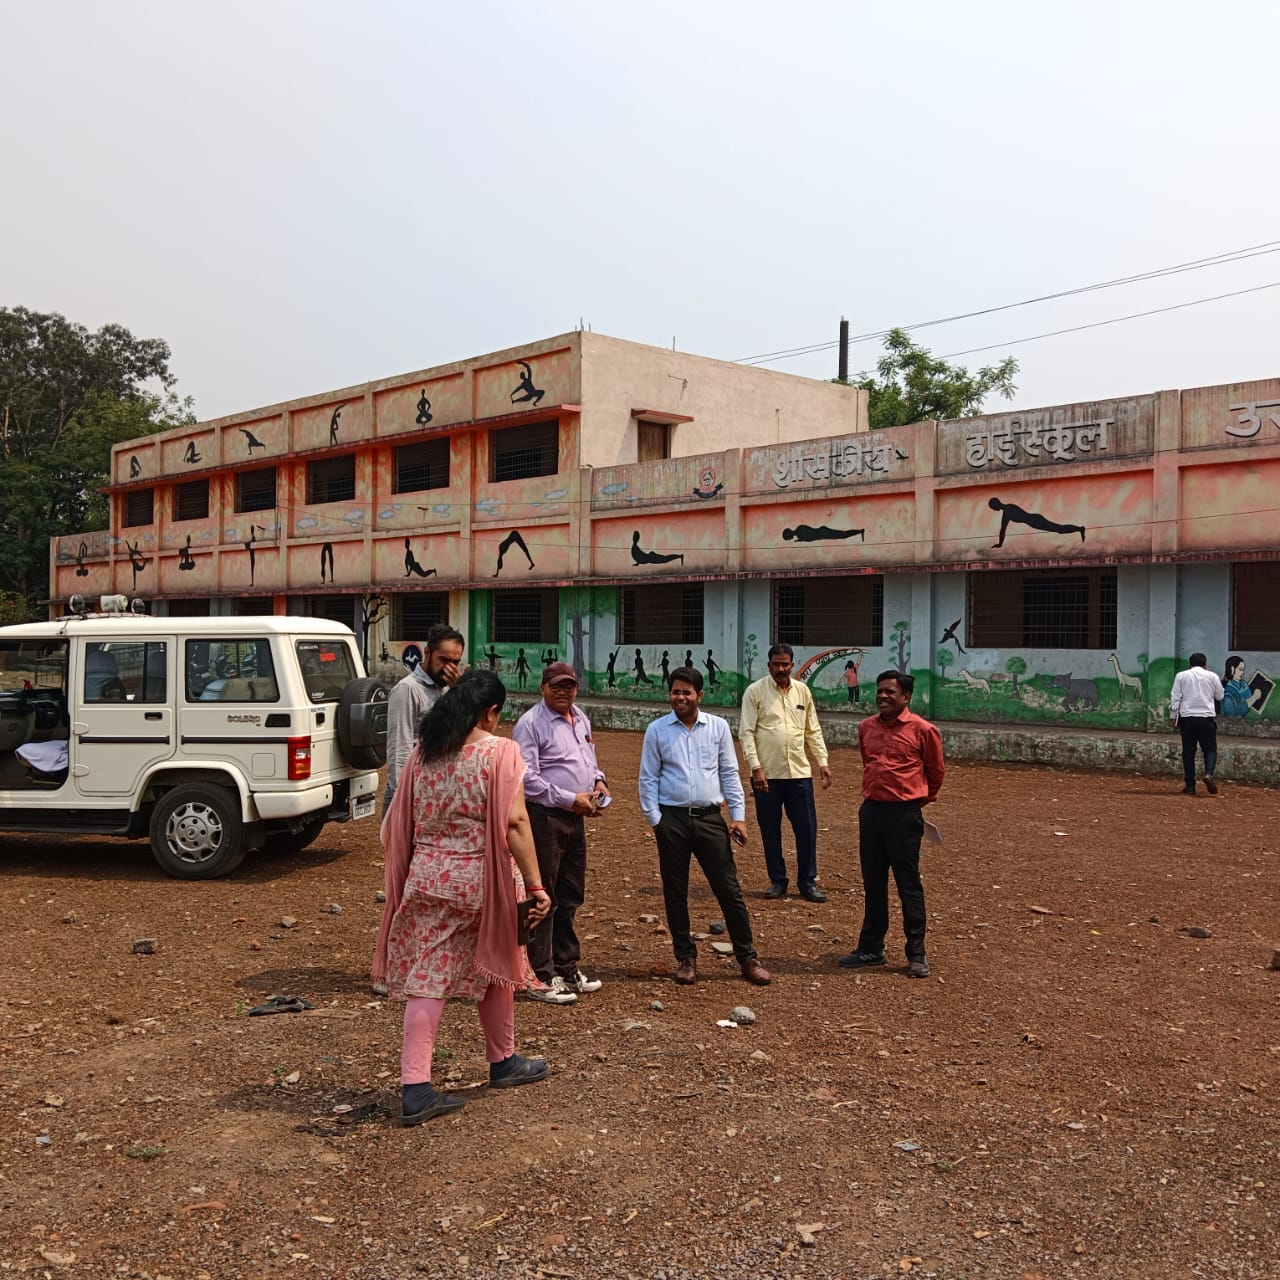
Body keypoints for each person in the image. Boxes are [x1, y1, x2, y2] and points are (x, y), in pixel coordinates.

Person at [372, 669, 552, 1125]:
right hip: (482, 880)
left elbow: (398, 820)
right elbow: (515, 823)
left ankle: (463, 1070)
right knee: (496, 958)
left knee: (438, 975)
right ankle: (440, 1082)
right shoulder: (499, 752)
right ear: (490, 712)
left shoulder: (425, 752)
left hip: (427, 876)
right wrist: (536, 886)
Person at [639, 667, 772, 988]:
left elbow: (729, 772)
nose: (680, 697)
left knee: (728, 889)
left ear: (699, 695)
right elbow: (648, 777)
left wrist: (738, 817)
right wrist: (656, 820)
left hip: (711, 820)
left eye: (687, 692)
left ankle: (747, 957)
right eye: (675, 692)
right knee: (675, 891)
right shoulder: (657, 730)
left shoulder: (718, 727)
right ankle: (686, 958)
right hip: (672, 820)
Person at [511, 661, 610, 1005]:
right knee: (543, 895)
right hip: (545, 818)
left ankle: (566, 967)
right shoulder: (530, 724)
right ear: (543, 688)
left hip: (575, 817)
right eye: (556, 686)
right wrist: (570, 799)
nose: (563, 692)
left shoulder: (580, 717)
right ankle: (540, 974)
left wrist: (598, 781)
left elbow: (589, 759)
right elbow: (527, 779)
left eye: (569, 686)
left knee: (571, 893)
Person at [839, 671, 944, 979]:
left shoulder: (923, 730)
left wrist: (916, 802)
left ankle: (917, 953)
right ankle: (871, 948)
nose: (883, 696)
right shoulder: (866, 727)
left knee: (908, 884)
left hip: (904, 815)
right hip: (872, 812)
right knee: (873, 882)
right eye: (880, 691)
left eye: (890, 692)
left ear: (906, 697)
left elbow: (935, 771)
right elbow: (868, 762)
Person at [739, 642, 832, 902]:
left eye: (785, 665)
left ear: (792, 665)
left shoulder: (802, 691)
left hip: (799, 774)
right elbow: (746, 733)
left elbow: (812, 729)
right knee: (770, 829)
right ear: (769, 665)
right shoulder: (755, 692)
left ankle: (807, 881)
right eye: (776, 665)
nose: (781, 669)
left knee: (806, 828)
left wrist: (822, 762)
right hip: (766, 775)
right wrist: (756, 768)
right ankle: (777, 880)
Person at [384, 623, 464, 814]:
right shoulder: (408, 690)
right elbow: (399, 747)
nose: (449, 668)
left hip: (435, 789)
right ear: (427, 652)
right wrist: (402, 797)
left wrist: (460, 692)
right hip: (408, 791)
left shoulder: (448, 688)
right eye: (444, 660)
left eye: (455, 662)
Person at [1170, 653, 1224, 795]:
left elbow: (1175, 697)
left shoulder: (1181, 676)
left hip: (1187, 718)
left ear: (1190, 664)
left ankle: (1190, 785)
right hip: (1206, 718)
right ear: (1205, 664)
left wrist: (1173, 716)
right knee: (1210, 749)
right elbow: (1220, 696)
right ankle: (1209, 773)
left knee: (1188, 752)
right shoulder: (1213, 676)